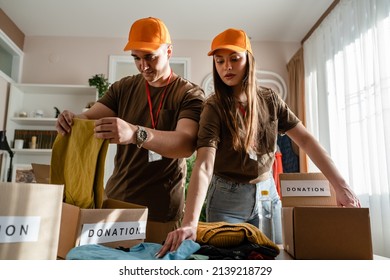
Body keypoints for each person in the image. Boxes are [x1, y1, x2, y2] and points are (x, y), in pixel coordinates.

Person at [157, 28, 361, 257]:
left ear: (248, 60)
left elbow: (305, 139)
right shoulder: (213, 107)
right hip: (227, 199)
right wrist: (190, 222)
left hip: (267, 196)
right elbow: (204, 164)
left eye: (234, 58)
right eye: (220, 60)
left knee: (273, 260)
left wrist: (341, 187)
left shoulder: (270, 99)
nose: (227, 67)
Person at [55, 17, 205, 243]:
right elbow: (88, 118)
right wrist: (71, 118)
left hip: (160, 210)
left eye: (150, 57)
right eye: (136, 58)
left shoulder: (189, 94)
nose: (143, 66)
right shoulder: (123, 87)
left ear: (169, 52)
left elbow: (185, 144)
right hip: (115, 201)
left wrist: (136, 134)